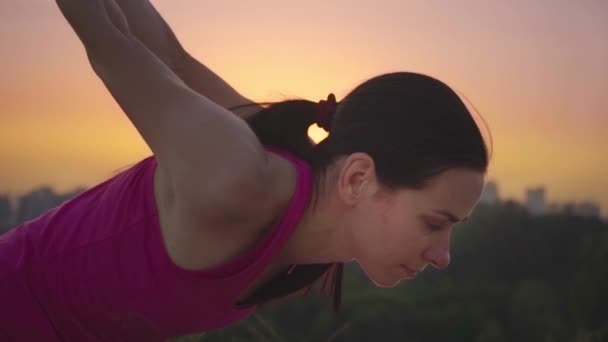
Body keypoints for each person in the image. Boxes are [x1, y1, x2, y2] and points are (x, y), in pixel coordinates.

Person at [0, 0, 490, 340]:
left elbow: (171, 54)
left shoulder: (305, 220)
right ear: (358, 179)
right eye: (434, 222)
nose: (444, 256)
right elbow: (109, 42)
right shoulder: (235, 175)